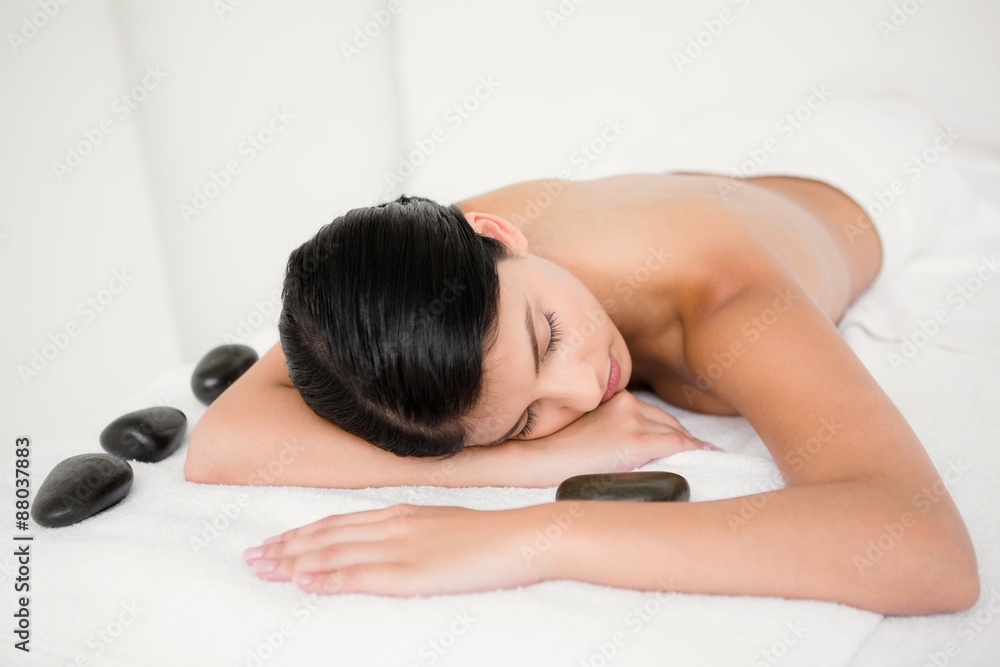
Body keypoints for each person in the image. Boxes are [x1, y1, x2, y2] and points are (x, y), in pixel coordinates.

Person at [185, 94, 980, 614]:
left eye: (549, 337)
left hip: (874, 161)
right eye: (525, 417)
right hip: (691, 161)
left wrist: (534, 534)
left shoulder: (722, 296)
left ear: (500, 233)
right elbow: (224, 441)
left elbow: (926, 546)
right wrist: (512, 461)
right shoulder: (444, 277)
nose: (580, 390)